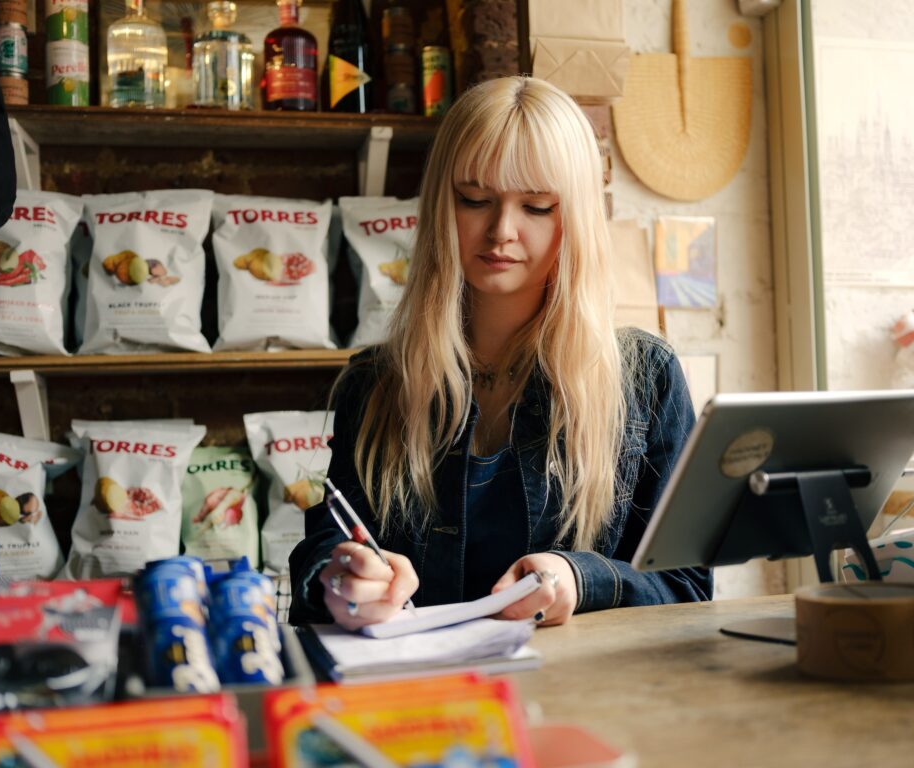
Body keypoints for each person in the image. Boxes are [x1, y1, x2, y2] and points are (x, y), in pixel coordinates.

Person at [289, 76, 711, 629]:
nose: (501, 231)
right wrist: (342, 575)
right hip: (422, 699)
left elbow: (687, 585)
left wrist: (578, 579)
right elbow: (327, 548)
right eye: (475, 200)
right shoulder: (374, 384)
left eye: (536, 206)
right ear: (442, 204)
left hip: (586, 698)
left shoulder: (645, 379)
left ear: (576, 220)